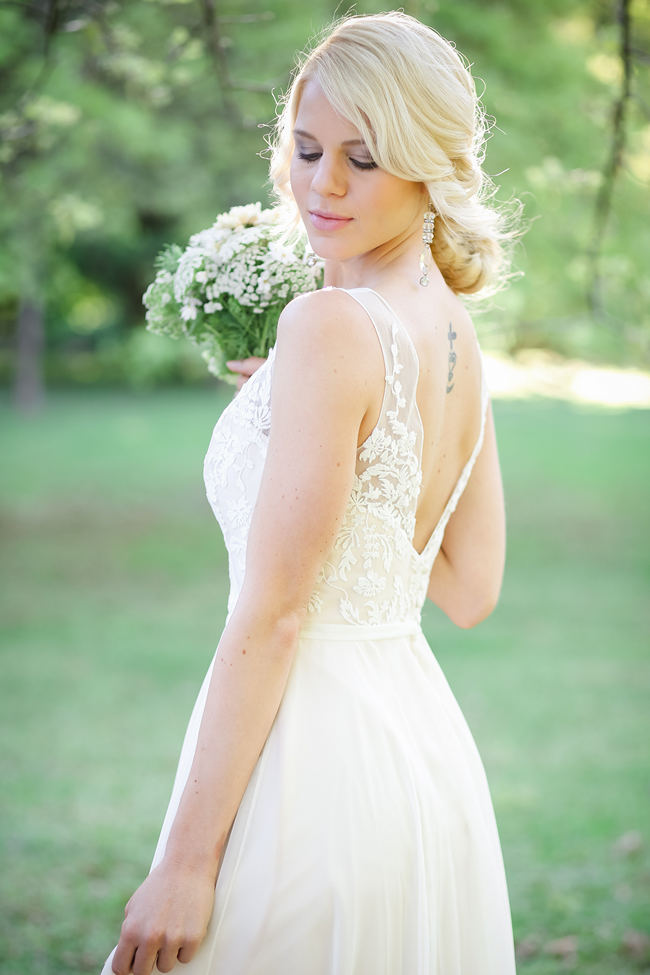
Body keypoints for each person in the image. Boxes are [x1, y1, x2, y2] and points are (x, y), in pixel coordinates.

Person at [101, 10, 518, 975]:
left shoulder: (332, 325)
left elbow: (280, 611)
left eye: (364, 158)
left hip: (310, 768)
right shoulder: (452, 330)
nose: (322, 184)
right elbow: (469, 589)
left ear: (427, 165)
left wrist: (186, 866)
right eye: (306, 147)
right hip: (418, 760)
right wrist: (301, 414)